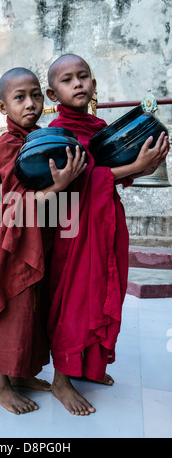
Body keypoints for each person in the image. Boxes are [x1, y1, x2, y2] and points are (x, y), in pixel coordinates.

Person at [45, 53, 170, 416]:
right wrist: (136, 166)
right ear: (54, 95)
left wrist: (145, 166)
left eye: (83, 77)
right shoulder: (57, 133)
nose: (78, 84)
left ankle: (90, 366)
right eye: (67, 80)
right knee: (76, 295)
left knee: (103, 289)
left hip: (106, 219)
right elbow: (82, 176)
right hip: (75, 227)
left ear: (94, 84)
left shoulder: (100, 128)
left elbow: (114, 173)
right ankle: (61, 379)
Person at [0, 67, 86, 415]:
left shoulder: (42, 138)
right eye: (20, 97)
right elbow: (16, 199)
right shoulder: (9, 143)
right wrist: (59, 185)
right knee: (12, 308)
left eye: (36, 95)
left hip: (42, 237)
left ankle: (21, 374)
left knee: (35, 310)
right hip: (14, 242)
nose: (31, 104)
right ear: (1, 106)